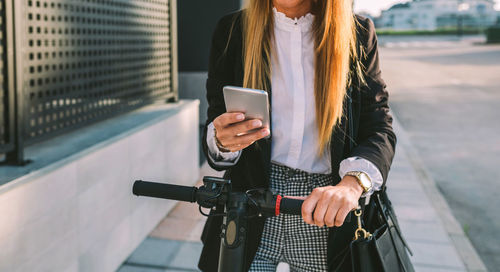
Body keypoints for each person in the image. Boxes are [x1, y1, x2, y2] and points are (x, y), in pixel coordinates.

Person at [198, 0, 396, 271]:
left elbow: (378, 127)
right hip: (250, 205)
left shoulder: (357, 32)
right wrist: (222, 140)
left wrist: (352, 184)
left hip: (326, 208)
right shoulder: (232, 30)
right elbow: (216, 123)